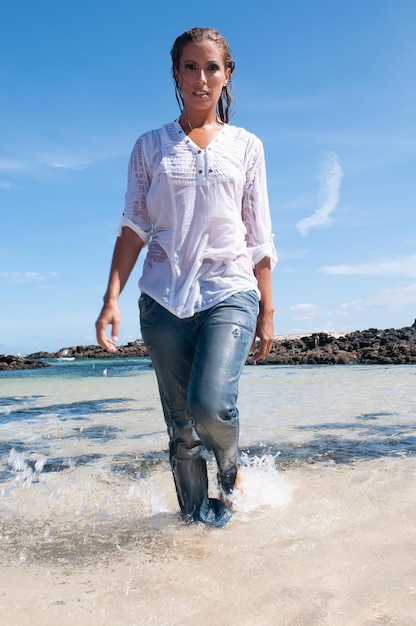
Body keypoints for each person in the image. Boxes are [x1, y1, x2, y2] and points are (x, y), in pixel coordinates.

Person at [95, 27, 277, 528]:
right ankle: (200, 530)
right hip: (163, 299)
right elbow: (133, 226)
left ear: (227, 74)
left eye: (211, 67)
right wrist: (111, 297)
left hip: (230, 292)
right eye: (190, 67)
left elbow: (258, 236)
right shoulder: (150, 146)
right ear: (176, 74)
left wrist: (268, 309)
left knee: (210, 405)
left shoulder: (247, 146)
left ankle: (231, 474)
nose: (201, 78)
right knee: (180, 427)